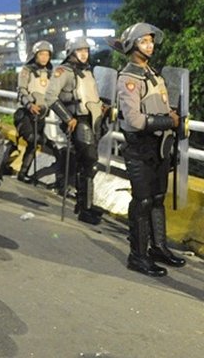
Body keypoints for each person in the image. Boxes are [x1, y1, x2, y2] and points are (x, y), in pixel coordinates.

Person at [114, 23, 186, 277]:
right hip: (139, 148)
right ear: (133, 45)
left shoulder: (153, 73)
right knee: (142, 201)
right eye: (144, 41)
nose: (150, 45)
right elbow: (134, 120)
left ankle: (158, 248)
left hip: (159, 146)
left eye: (151, 41)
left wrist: (172, 116)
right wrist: (169, 122)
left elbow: (159, 105)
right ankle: (138, 256)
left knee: (157, 199)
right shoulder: (128, 78)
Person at [42, 37, 105, 225]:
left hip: (91, 120)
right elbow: (50, 97)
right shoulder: (63, 71)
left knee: (86, 162)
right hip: (76, 121)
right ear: (71, 52)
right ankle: (84, 207)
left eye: (86, 50)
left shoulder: (88, 71)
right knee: (91, 161)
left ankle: (84, 204)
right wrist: (67, 118)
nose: (84, 53)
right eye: (80, 50)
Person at [15, 41, 54, 184]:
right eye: (41, 54)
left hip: (42, 114)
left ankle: (23, 173)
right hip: (26, 114)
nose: (44, 57)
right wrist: (30, 104)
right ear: (35, 55)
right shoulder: (27, 70)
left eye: (47, 54)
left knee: (33, 146)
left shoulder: (51, 73)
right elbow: (21, 90)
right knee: (33, 138)